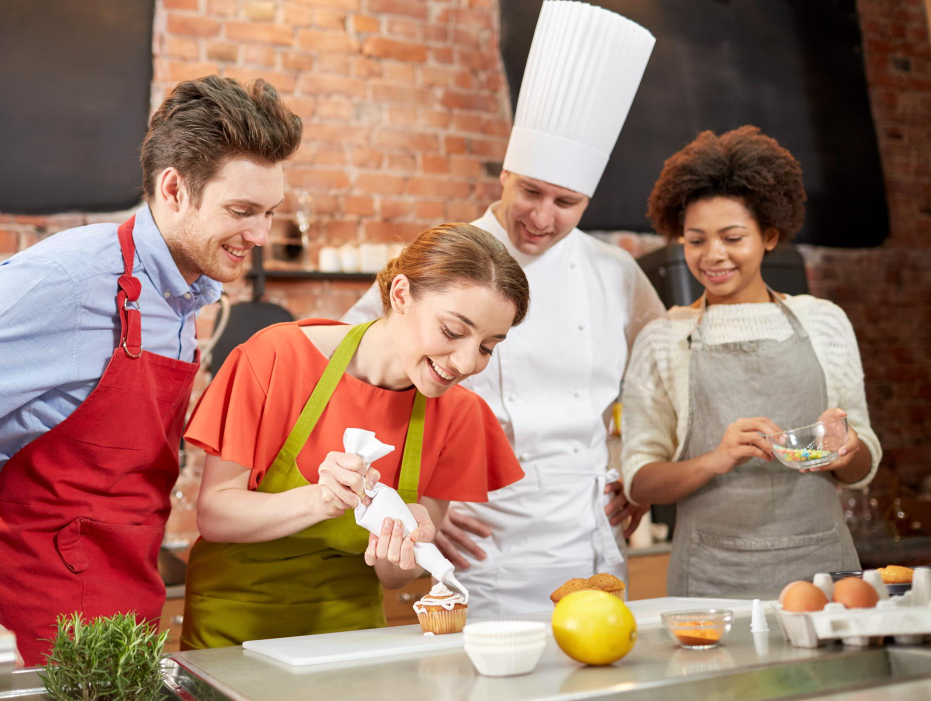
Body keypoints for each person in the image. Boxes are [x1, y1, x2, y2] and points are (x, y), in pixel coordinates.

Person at [0, 76, 301, 664]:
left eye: (269, 213)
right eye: (241, 211)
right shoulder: (70, 280)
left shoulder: (187, 295)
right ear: (175, 189)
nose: (259, 234)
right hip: (34, 626)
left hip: (126, 617)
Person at [342, 1, 664, 616]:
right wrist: (411, 500)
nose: (542, 217)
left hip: (592, 532)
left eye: (566, 202)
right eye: (531, 192)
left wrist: (645, 472)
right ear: (506, 175)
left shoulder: (614, 273)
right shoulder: (442, 263)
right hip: (485, 538)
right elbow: (354, 375)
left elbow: (658, 378)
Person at [180, 223, 529, 648]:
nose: (466, 362)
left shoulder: (460, 415)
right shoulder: (276, 357)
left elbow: (393, 576)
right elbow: (214, 515)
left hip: (349, 636)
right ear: (400, 294)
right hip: (233, 630)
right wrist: (319, 500)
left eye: (488, 347)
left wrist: (408, 543)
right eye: (453, 332)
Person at [621, 125, 881, 598]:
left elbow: (861, 470)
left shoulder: (824, 323)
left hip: (822, 571)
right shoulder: (664, 338)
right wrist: (714, 461)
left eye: (732, 237)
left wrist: (845, 446)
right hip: (709, 579)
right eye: (696, 240)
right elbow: (640, 482)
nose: (713, 255)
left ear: (770, 235)